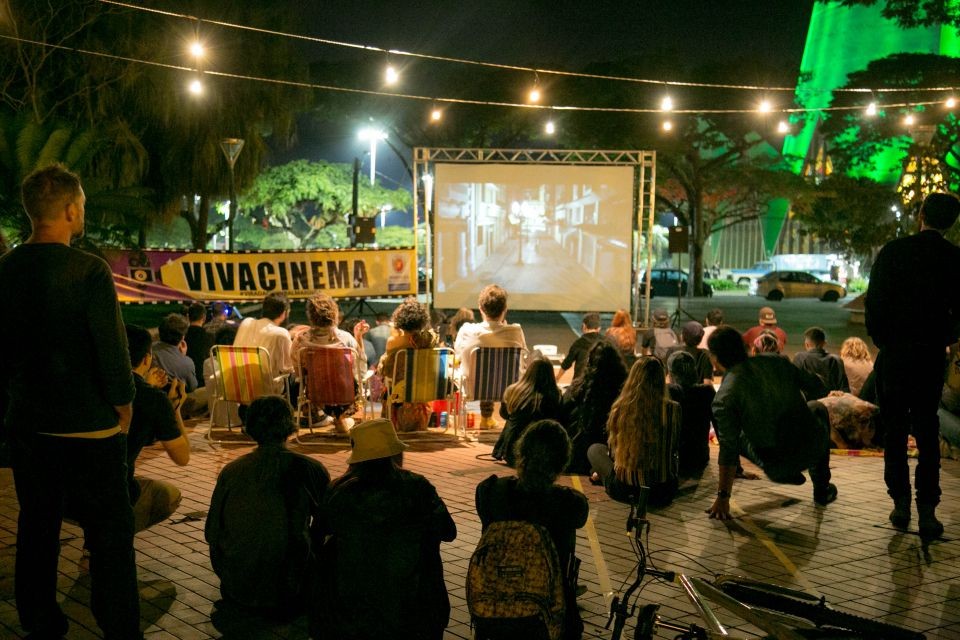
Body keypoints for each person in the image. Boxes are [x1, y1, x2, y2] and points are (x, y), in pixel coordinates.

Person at [0, 164, 141, 639]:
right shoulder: (88, 270)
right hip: (90, 430)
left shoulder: (6, 270)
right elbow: (112, 351)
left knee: (36, 528)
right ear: (70, 209)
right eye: (81, 204)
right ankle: (117, 623)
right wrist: (123, 406)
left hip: (30, 426)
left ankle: (40, 622)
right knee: (109, 535)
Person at [865, 192, 960, 538]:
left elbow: (874, 304)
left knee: (894, 432)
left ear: (921, 214)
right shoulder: (954, 259)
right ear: (952, 222)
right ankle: (928, 510)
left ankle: (900, 503)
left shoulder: (894, 252)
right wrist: (944, 338)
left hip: (894, 355)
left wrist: (884, 340)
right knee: (927, 431)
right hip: (930, 357)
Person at [311, 419, 456, 639]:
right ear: (394, 453)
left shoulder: (338, 492)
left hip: (353, 610)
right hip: (414, 606)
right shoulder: (418, 486)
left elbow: (316, 540)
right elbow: (449, 532)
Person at [206, 395, 330, 619]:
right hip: (291, 591)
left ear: (250, 427)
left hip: (237, 587)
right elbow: (329, 525)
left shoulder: (232, 471)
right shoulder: (309, 468)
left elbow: (212, 532)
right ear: (289, 426)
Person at [706, 327, 838, 520]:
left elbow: (728, 449)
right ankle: (822, 487)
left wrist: (723, 498)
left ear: (715, 359)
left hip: (776, 463)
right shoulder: (777, 362)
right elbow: (818, 387)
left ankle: (787, 470)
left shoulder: (724, 397)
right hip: (809, 448)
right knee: (817, 407)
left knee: (733, 434)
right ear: (745, 347)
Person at [476, 419, 588, 640]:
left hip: (495, 603)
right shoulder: (570, 503)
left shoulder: (490, 491)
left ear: (521, 452)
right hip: (545, 611)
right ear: (561, 462)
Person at [124, 325, 191, 533]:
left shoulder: (91, 383)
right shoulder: (151, 399)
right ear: (146, 359)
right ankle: (115, 535)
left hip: (64, 489)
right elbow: (183, 457)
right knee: (168, 495)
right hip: (112, 490)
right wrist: (174, 409)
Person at [587, 358, 680, 508]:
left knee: (595, 450)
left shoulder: (621, 408)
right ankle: (599, 474)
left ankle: (599, 474)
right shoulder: (673, 409)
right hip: (664, 491)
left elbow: (613, 452)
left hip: (626, 490)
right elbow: (673, 445)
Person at [292, 292, 369, 433]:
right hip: (345, 396)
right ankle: (341, 419)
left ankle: (338, 420)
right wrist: (358, 337)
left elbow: (298, 373)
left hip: (316, 396)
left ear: (311, 316)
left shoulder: (300, 340)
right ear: (334, 314)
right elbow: (361, 371)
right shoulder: (346, 339)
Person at [455, 284, 528, 429]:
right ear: (505, 309)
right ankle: (501, 420)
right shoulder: (515, 331)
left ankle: (485, 418)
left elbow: (458, 356)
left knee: (476, 370)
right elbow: (523, 357)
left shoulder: (467, 331)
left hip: (473, 389)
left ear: (481, 309)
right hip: (509, 389)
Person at [560, 340, 628, 473]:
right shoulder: (623, 391)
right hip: (609, 451)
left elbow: (562, 411)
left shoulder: (578, 388)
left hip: (578, 454)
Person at [378, 297, 440, 432]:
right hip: (423, 390)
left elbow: (387, 371)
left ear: (399, 320)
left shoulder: (394, 341)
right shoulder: (429, 341)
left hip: (399, 393)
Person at [492, 358, 562, 466]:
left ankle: (501, 449)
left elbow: (504, 414)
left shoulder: (513, 390)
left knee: (513, 418)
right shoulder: (555, 395)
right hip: (540, 455)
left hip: (512, 453)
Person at [667, 350, 716, 477]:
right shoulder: (707, 392)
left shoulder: (669, 392)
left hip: (672, 459)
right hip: (699, 458)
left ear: (671, 373)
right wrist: (736, 468)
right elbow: (721, 429)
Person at [234, 292, 295, 392]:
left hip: (241, 389)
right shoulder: (281, 334)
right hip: (266, 391)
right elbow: (288, 367)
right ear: (284, 313)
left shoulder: (246, 322)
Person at [793, 327, 849, 393]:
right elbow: (844, 388)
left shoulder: (800, 358)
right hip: (831, 400)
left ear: (807, 344)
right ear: (824, 343)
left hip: (808, 401)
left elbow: (793, 383)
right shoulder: (836, 360)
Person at [152, 312, 199, 392]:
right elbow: (193, 386)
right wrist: (183, 357)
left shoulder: (149, 350)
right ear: (182, 337)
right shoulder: (187, 363)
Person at [557, 311, 605, 381]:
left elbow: (566, 363)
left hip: (580, 385)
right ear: (599, 328)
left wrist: (557, 378)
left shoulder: (579, 343)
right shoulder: (606, 342)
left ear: (584, 326)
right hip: (600, 384)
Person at [184, 301, 212, 386]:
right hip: (203, 380)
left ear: (188, 317)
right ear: (204, 318)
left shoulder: (182, 336)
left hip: (186, 379)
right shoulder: (209, 337)